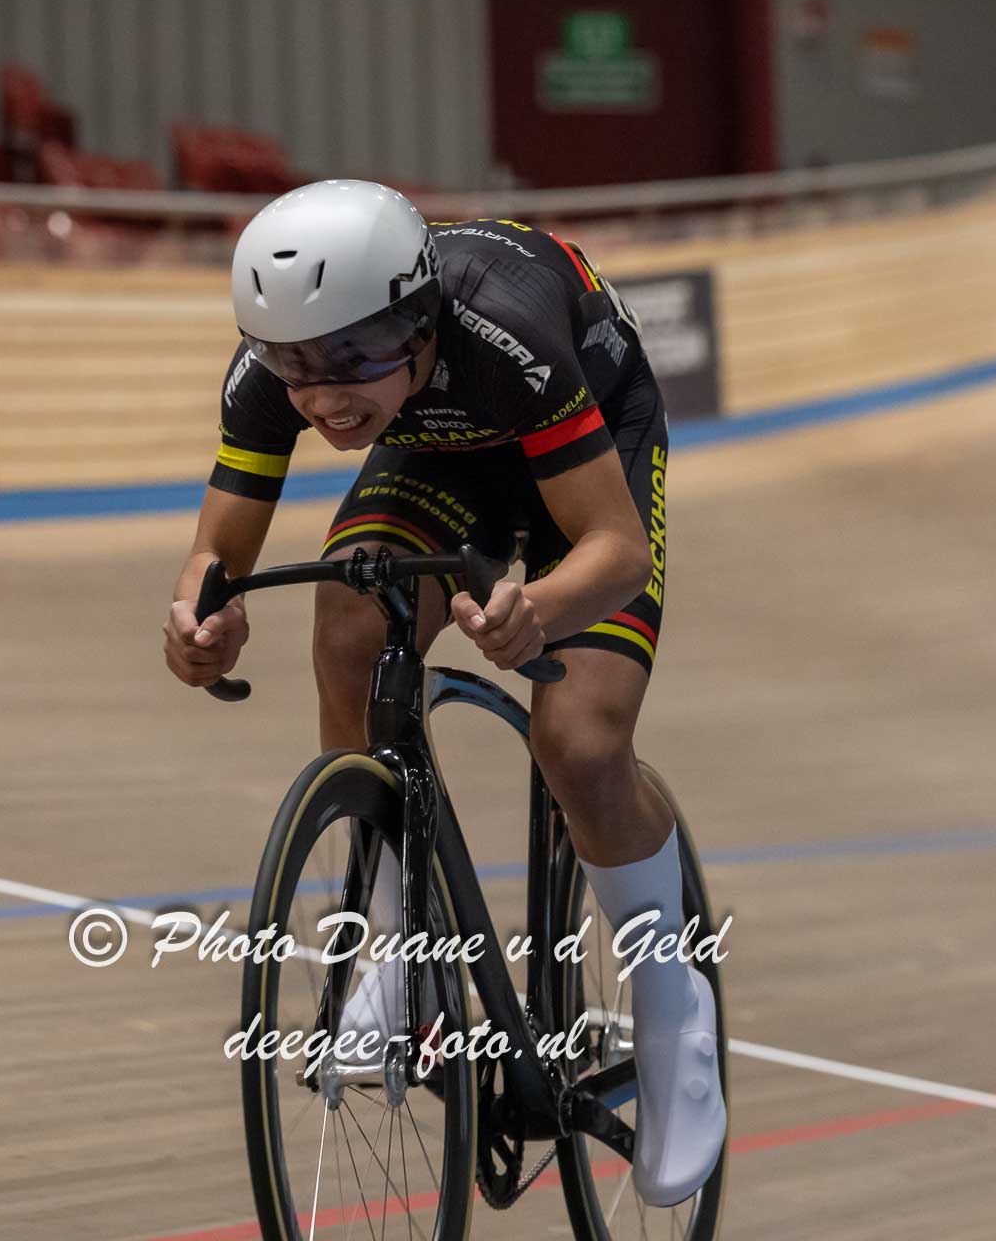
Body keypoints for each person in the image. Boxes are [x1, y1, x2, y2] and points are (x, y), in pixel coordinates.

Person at [163, 179, 725, 1207]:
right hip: (441, 451)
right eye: (298, 366)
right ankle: (406, 954)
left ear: (419, 322)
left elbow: (614, 551)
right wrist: (203, 616)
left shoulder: (505, 329)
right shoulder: (277, 366)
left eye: (354, 357)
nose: (324, 395)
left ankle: (671, 1001)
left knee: (580, 740)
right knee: (348, 623)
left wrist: (535, 608)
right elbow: (217, 551)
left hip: (589, 442)